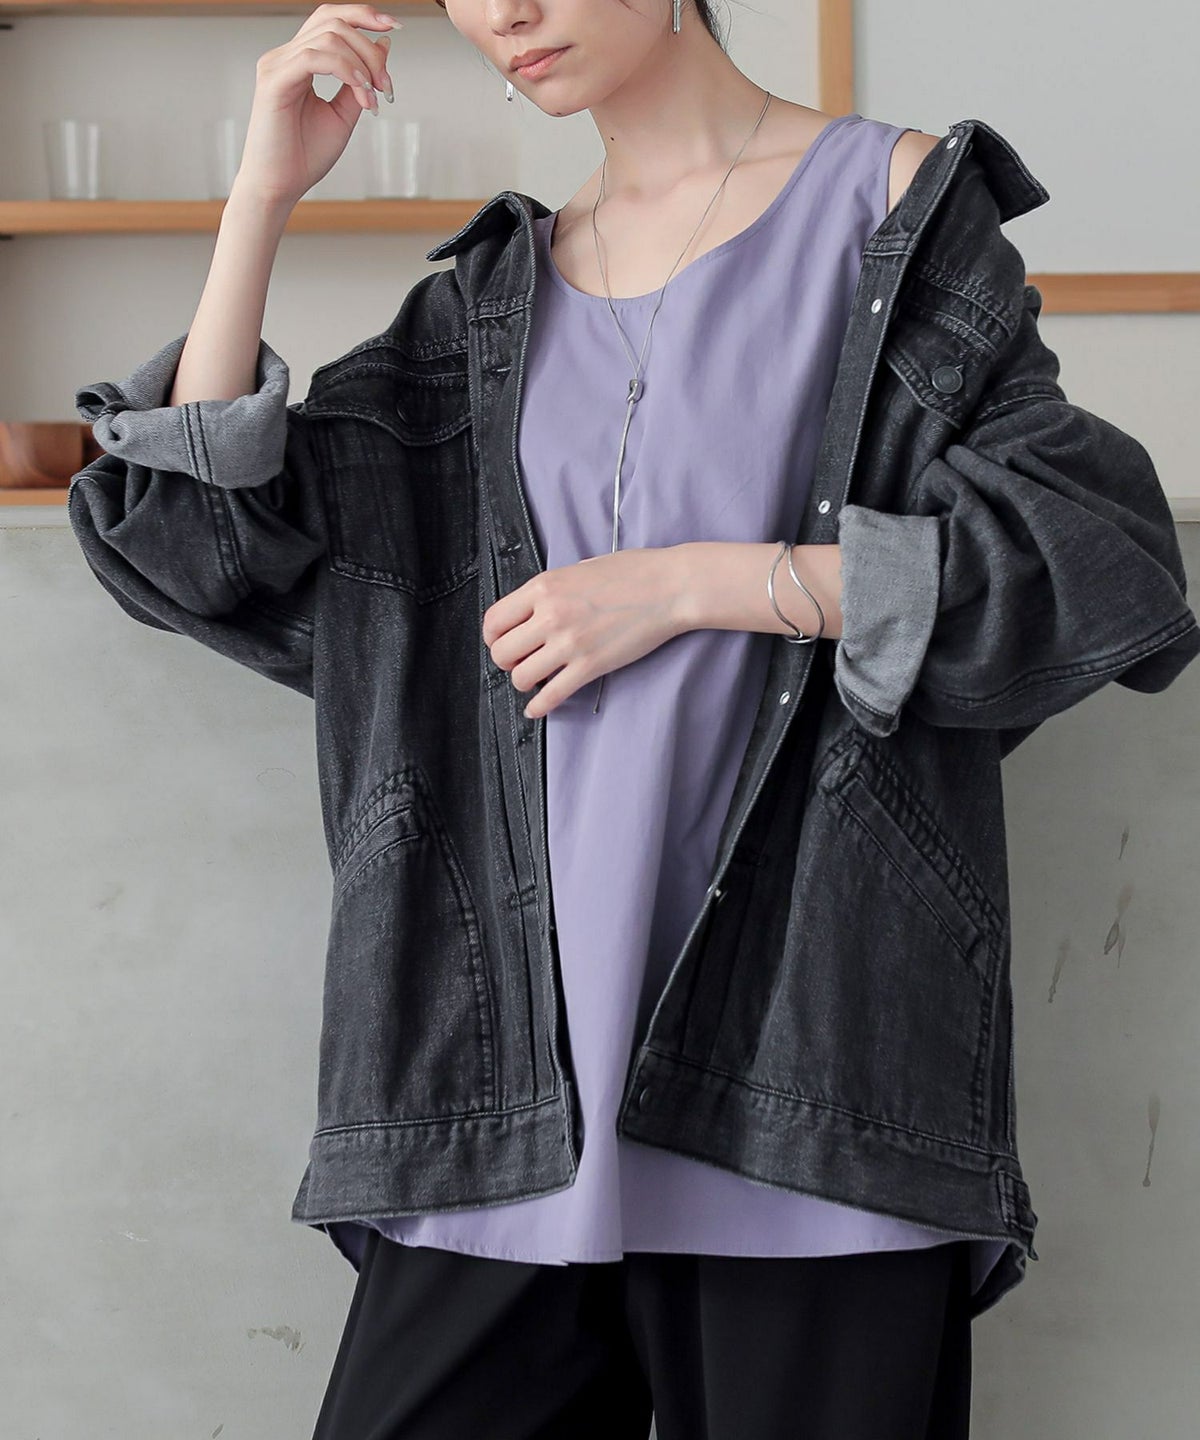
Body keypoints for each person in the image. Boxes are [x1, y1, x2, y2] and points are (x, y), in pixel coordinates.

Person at [66, 2, 1199, 1437]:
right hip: (505, 1092)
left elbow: (1093, 560)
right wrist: (262, 193)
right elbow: (196, 543)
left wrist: (691, 585)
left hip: (810, 1065)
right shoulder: (481, 307)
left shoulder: (893, 206)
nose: (503, 14)